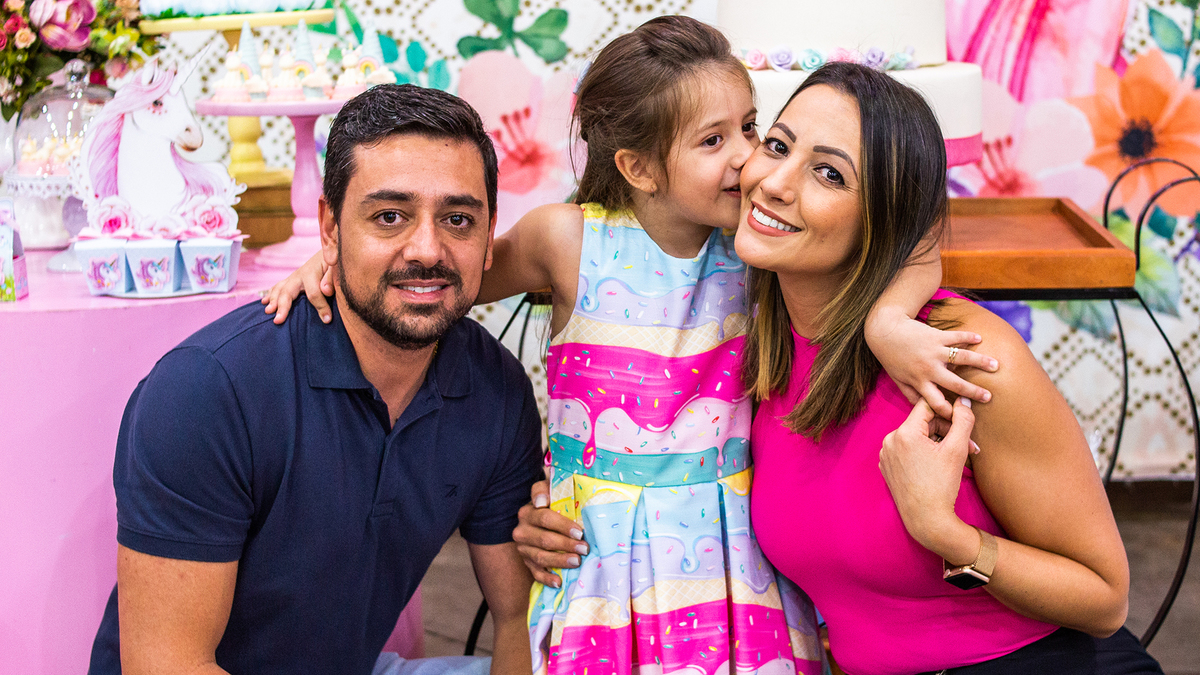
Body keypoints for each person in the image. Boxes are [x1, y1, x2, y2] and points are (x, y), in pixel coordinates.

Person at [263, 18, 998, 674]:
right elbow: (443, 274)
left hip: (731, 556)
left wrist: (887, 322)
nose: (748, 157)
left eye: (750, 128)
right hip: (600, 551)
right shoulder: (567, 239)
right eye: (714, 140)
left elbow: (917, 241)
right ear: (639, 167)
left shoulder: (756, 249)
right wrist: (333, 259)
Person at [520, 62, 1164, 673]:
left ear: (882, 215)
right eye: (776, 146)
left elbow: (1104, 599)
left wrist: (945, 533)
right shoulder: (752, 345)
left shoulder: (958, 360)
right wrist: (558, 513)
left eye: (829, 174)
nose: (774, 183)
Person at [87, 85, 543, 675]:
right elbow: (167, 666)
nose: (428, 250)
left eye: (458, 220)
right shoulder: (207, 392)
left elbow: (518, 621)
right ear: (330, 229)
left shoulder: (496, 389)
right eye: (389, 217)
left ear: (489, 234)